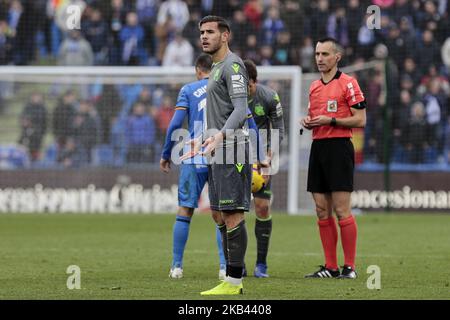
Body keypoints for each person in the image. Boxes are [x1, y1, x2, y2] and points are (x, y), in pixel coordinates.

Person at [182, 15, 255, 295]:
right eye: (202, 32)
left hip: (232, 149)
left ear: (225, 36)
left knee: (233, 213)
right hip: (217, 148)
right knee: (219, 215)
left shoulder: (233, 66)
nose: (204, 36)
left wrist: (221, 136)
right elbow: (223, 111)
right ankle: (230, 276)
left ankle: (234, 282)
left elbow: (240, 109)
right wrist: (201, 139)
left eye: (210, 32)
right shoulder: (214, 68)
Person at [300, 37, 366, 279]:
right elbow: (314, 116)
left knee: (341, 209)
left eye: (325, 54)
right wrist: (308, 123)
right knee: (320, 209)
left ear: (337, 57)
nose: (319, 59)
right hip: (318, 147)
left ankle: (349, 267)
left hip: (339, 148)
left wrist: (332, 120)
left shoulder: (349, 83)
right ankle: (330, 267)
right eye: (317, 54)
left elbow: (361, 120)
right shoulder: (314, 87)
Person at [160, 53, 228, 280]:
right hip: (220, 155)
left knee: (186, 209)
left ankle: (177, 267)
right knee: (221, 213)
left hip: (194, 155)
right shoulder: (225, 87)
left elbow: (176, 124)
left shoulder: (188, 90)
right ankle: (224, 267)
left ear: (198, 70)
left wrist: (166, 153)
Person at [243, 59, 285, 278]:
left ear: (255, 82)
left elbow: (279, 131)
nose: (244, 88)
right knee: (234, 212)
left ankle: (261, 264)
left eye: (247, 84)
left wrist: (268, 160)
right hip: (235, 158)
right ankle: (236, 264)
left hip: (261, 161)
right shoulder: (228, 96)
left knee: (262, 208)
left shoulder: (269, 97)